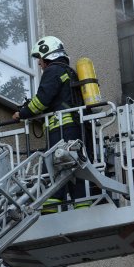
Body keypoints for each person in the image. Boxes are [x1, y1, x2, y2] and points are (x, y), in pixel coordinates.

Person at [12, 36, 86, 211]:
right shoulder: (69, 72)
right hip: (75, 129)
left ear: (48, 55)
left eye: (40, 58)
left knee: (51, 166)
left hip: (61, 130)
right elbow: (59, 99)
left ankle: (50, 209)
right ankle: (83, 204)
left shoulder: (52, 71)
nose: (39, 64)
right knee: (75, 166)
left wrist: (22, 113)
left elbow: (42, 100)